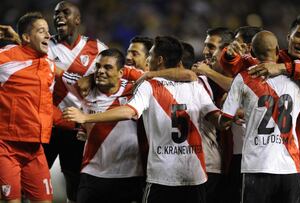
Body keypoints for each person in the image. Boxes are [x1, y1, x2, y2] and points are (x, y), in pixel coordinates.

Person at [63, 36, 225, 203]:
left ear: (159, 59)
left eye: (150, 54)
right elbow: (217, 118)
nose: (147, 58)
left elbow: (129, 111)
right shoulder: (194, 85)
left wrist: (86, 117)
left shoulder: (147, 84)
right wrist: (229, 118)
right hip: (194, 173)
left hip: (159, 175)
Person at [220, 30, 300, 203]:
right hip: (289, 167)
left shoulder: (243, 79)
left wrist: (235, 116)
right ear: (277, 51)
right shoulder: (297, 80)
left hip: (255, 167)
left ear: (253, 53)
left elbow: (224, 122)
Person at [43, 1, 109, 202]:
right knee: (34, 178)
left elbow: (111, 80)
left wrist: (92, 78)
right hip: (48, 124)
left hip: (78, 127)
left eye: (65, 12)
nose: (59, 16)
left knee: (74, 182)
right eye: (56, 13)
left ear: (78, 20)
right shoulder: (45, 46)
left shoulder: (97, 48)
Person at [59, 48, 144, 203]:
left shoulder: (136, 90)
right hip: (92, 173)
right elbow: (53, 68)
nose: (100, 71)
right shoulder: (84, 89)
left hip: (128, 175)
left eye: (108, 67)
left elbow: (155, 76)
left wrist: (85, 118)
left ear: (121, 72)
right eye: (97, 67)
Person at [0, 12, 54, 203]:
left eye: (48, 31)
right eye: (42, 31)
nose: (48, 35)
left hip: (35, 148)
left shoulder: (50, 65)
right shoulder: (5, 58)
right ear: (26, 37)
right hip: (6, 146)